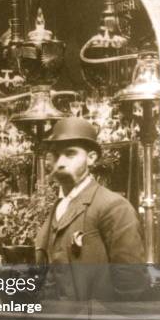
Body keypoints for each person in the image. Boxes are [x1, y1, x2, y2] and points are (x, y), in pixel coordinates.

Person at [35, 117, 148, 300]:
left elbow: (131, 283)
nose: (61, 162)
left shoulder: (113, 207)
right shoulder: (58, 206)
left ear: (91, 158)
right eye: (55, 155)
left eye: (70, 154)